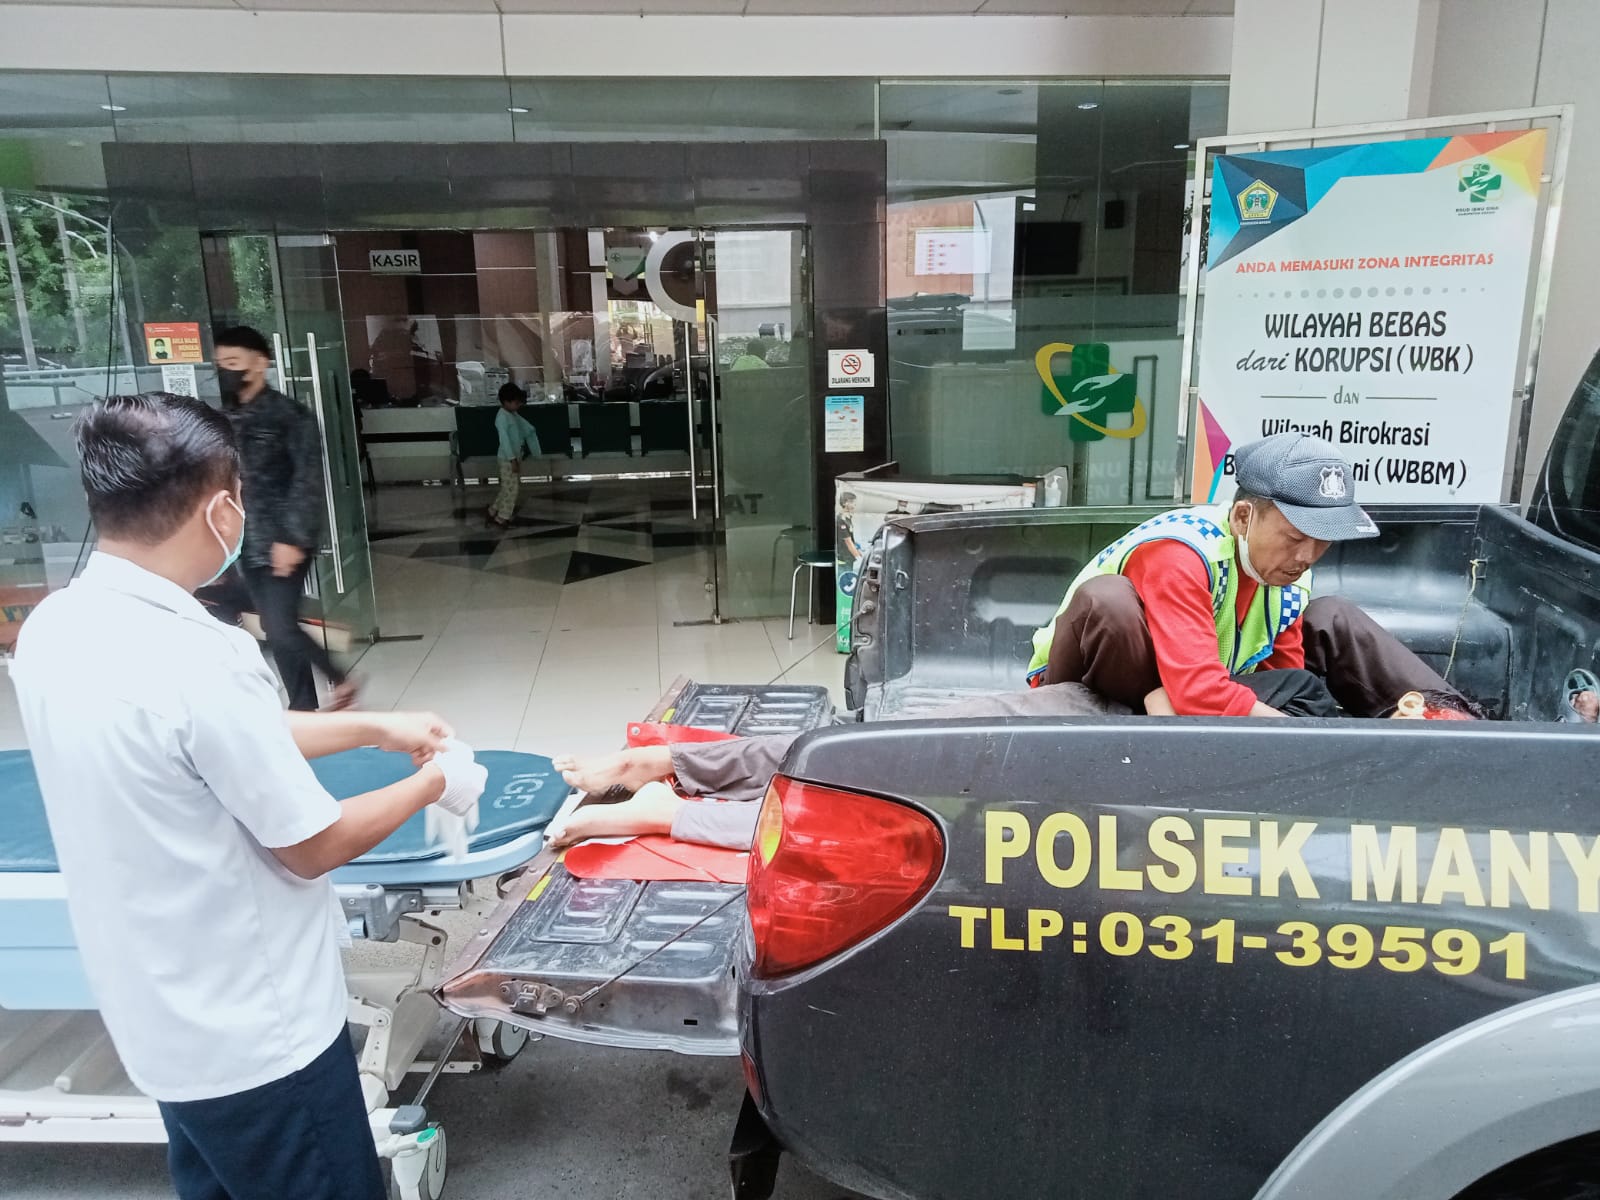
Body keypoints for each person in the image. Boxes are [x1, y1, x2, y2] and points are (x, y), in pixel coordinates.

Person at [11, 392, 489, 1200]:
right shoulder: (202, 656)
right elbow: (312, 845)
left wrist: (372, 726)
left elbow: (204, 744)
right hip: (260, 1039)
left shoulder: (58, 629)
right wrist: (436, 782)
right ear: (224, 508)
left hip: (157, 1019)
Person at [1028, 431, 1468, 718]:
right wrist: (1298, 737)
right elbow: (1198, 692)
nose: (1308, 556)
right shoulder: (1182, 553)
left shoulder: (1288, 569)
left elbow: (1286, 674)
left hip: (1190, 689)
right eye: (1295, 537)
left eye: (1322, 541)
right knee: (1111, 601)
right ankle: (1155, 714)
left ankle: (1452, 722)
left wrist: (1297, 709)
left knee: (1332, 615)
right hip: (1103, 686)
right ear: (1242, 517)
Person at [213, 325, 355, 711]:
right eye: (220, 364)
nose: (224, 371)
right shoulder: (224, 419)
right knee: (278, 627)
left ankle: (338, 678)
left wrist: (292, 537)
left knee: (278, 624)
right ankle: (303, 704)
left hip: (285, 539)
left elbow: (308, 481)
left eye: (232, 363)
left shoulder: (291, 417)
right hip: (244, 539)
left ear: (259, 364)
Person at [488, 381, 541, 528]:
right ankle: (502, 517)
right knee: (512, 489)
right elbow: (504, 441)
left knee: (507, 487)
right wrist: (512, 460)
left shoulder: (510, 414)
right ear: (506, 402)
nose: (519, 406)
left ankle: (493, 510)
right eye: (516, 403)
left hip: (512, 458)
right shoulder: (502, 418)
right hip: (507, 459)